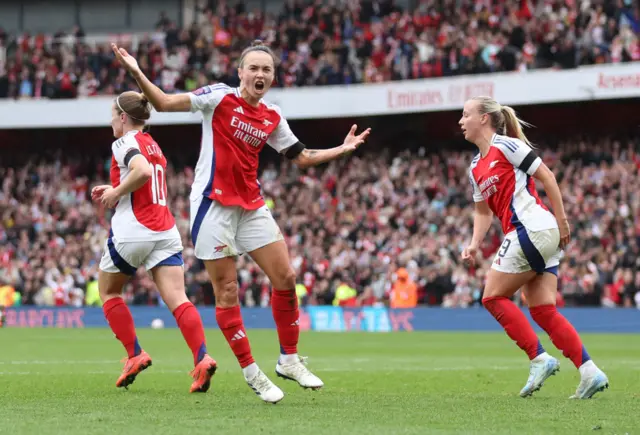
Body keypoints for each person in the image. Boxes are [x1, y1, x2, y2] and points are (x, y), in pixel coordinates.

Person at [111, 41, 371, 404]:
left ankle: (289, 360)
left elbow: (300, 156)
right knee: (228, 292)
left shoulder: (273, 116)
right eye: (254, 68)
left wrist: (341, 150)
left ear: (273, 76)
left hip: (251, 205)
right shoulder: (218, 97)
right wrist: (137, 72)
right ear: (240, 72)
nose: (260, 74)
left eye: (267, 69)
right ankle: (252, 372)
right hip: (212, 207)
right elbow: (165, 103)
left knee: (286, 278)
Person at [459, 96, 609, 399]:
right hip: (538, 234)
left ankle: (539, 359)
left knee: (491, 297)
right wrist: (474, 244)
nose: (461, 122)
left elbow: (547, 177)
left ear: (484, 118)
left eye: (465, 115)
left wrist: (563, 221)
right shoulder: (475, 167)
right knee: (541, 310)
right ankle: (590, 372)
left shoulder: (508, 146)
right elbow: (482, 212)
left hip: (532, 228)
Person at [92, 91, 216, 393]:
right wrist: (117, 186)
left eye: (112, 115)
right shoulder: (153, 145)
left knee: (108, 291)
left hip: (134, 229)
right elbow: (146, 177)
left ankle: (135, 354)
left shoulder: (123, 141)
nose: (111, 121)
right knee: (178, 298)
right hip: (165, 230)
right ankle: (202, 359)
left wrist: (115, 193)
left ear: (123, 117)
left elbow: (142, 172)